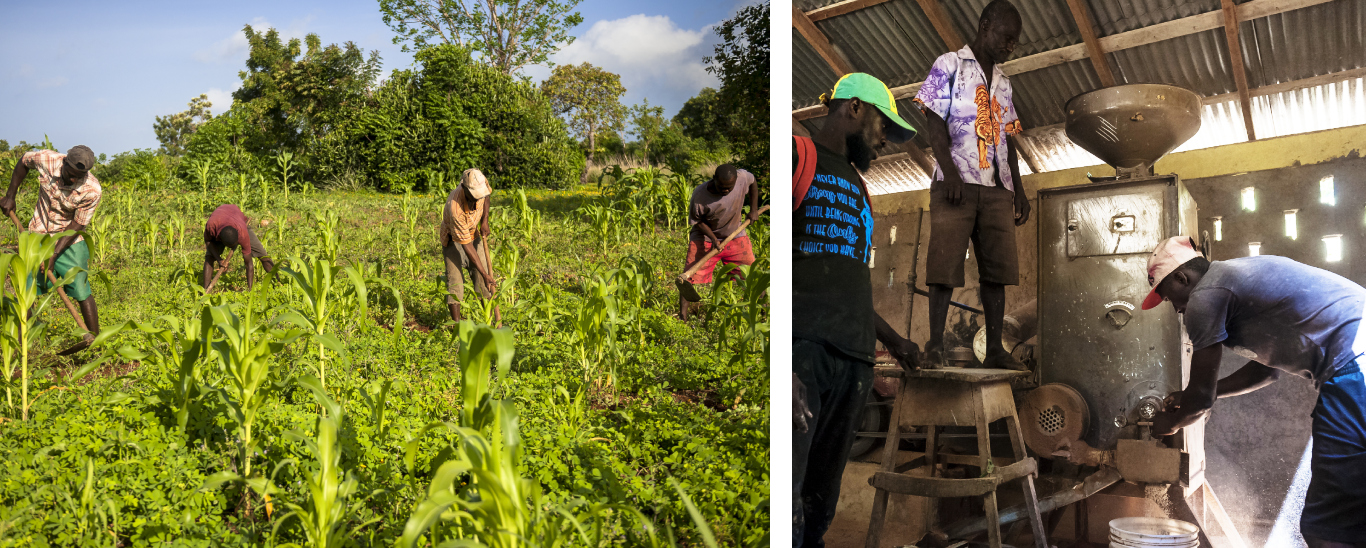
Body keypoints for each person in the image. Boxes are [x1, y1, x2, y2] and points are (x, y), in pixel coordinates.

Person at [1144, 236, 1366, 547]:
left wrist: (1172, 423)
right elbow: (1266, 371)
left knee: (1328, 529)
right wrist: (1197, 396)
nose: (1178, 310)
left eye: (1170, 297)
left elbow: (1201, 400)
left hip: (1354, 367)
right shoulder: (1237, 276)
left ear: (1182, 277)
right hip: (1355, 362)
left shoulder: (1205, 296)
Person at [792, 72, 922, 548]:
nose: (884, 141)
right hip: (803, 353)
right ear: (854, 109)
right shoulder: (797, 155)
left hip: (854, 363)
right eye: (884, 127)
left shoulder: (861, 191)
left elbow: (852, 281)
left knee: (819, 499)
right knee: (788, 490)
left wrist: (894, 342)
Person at [913, 0, 1031, 370]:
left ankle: (994, 348)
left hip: (997, 187)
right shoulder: (947, 65)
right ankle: (935, 346)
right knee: (944, 265)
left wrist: (1020, 189)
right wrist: (948, 172)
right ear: (985, 25)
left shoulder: (1005, 83)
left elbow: (1007, 139)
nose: (1009, 46)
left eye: (1015, 42)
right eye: (1006, 37)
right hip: (956, 183)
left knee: (997, 272)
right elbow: (934, 124)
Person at [0, 145, 103, 350]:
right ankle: (21, 349)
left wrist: (54, 254)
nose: (73, 180)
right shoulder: (47, 160)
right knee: (25, 289)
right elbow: (23, 162)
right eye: (70, 174)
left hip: (69, 238)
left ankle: (95, 342)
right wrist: (10, 195)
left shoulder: (92, 189)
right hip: (36, 234)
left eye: (78, 177)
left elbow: (78, 225)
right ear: (64, 163)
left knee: (81, 288)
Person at [680, 164, 760, 320]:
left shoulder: (743, 178)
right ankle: (682, 318)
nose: (725, 191)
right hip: (705, 236)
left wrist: (754, 209)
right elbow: (698, 221)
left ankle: (764, 312)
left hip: (735, 234)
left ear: (736, 181)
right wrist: (714, 239)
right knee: (687, 278)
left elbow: (753, 182)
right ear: (714, 179)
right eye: (722, 187)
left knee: (753, 274)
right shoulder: (700, 195)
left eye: (729, 188)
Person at [439, 168, 498, 323]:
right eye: (473, 196)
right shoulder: (455, 208)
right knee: (456, 281)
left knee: (482, 277)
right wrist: (486, 275)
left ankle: (488, 321)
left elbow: (486, 197)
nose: (476, 199)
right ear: (464, 188)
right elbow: (467, 246)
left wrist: (484, 220)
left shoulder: (480, 182)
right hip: (453, 239)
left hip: (474, 232)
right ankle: (456, 326)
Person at [203, 204, 275, 291]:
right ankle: (205, 290)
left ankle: (277, 281)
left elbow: (249, 264)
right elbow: (208, 241)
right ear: (220, 240)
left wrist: (250, 291)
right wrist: (219, 259)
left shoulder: (242, 234)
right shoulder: (211, 226)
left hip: (239, 221)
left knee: (262, 254)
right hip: (220, 219)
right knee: (209, 257)